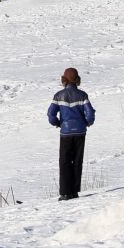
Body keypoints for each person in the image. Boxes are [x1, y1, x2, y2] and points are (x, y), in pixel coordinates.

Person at [48, 67, 95, 201]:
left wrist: (57, 123)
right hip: (80, 132)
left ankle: (65, 193)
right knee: (77, 161)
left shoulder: (58, 95)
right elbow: (90, 113)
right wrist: (87, 123)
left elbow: (51, 114)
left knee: (65, 162)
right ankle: (74, 192)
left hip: (66, 133)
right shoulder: (83, 95)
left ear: (64, 79)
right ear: (77, 80)